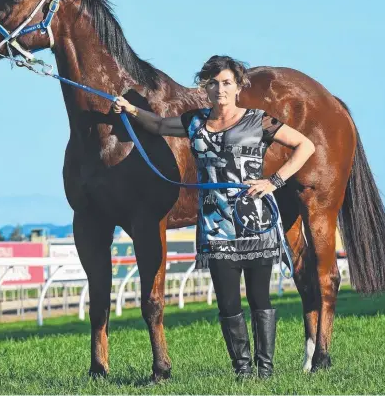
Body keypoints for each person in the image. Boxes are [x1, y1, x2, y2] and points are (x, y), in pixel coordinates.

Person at [112, 55, 315, 378]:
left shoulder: (258, 120)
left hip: (254, 223)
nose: (220, 89)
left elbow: (305, 146)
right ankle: (243, 370)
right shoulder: (194, 122)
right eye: (214, 84)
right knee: (228, 304)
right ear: (205, 88)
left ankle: (265, 370)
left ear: (238, 87)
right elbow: (159, 125)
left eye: (227, 83)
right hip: (214, 225)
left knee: (260, 299)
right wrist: (131, 110)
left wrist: (274, 182)